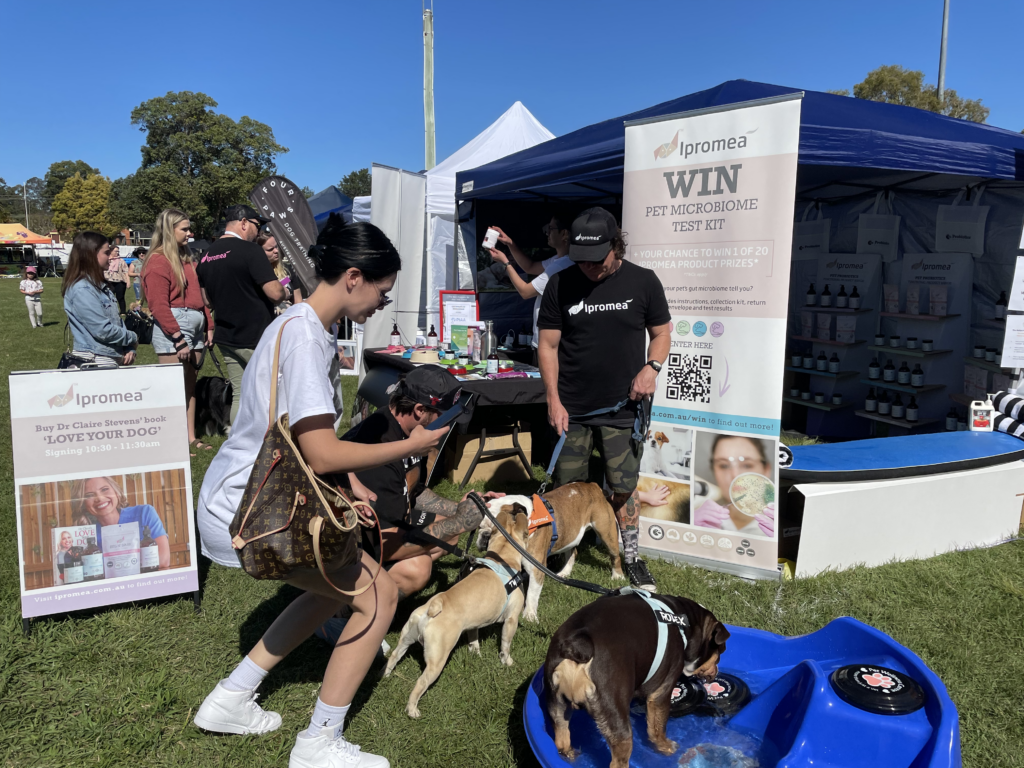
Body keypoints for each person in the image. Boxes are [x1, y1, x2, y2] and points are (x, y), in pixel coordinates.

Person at [195, 215, 445, 768]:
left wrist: (350, 485)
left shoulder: (296, 323)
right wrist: (412, 446)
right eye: (383, 291)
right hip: (254, 506)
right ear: (354, 277)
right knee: (377, 596)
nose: (383, 304)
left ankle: (230, 699)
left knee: (338, 587)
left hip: (242, 496)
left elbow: (302, 435)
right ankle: (319, 744)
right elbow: (322, 452)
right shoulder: (309, 337)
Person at [537, 207, 671, 591]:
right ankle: (568, 550)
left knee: (623, 484)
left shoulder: (644, 282)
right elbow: (547, 346)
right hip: (572, 408)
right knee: (570, 485)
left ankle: (629, 555)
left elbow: (661, 333)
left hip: (622, 408)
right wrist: (553, 399)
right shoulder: (560, 284)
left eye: (598, 261)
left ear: (617, 246)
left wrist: (652, 367)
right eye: (581, 261)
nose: (590, 269)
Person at [342, 366, 504, 606]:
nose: (447, 427)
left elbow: (413, 490)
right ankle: (342, 612)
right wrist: (460, 521)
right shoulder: (379, 450)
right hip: (350, 549)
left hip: (380, 531)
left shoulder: (409, 434)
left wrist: (462, 509)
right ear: (419, 410)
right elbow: (383, 544)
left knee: (448, 536)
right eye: (444, 416)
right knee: (417, 568)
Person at [196, 204, 285, 426]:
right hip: (254, 336)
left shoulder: (206, 255)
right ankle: (271, 446)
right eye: (258, 224)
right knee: (271, 394)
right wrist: (286, 289)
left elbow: (206, 300)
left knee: (240, 394)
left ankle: (238, 444)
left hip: (227, 336)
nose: (259, 230)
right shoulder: (250, 250)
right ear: (244, 222)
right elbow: (275, 293)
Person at [141, 209, 216, 454]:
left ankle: (190, 436)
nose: (189, 233)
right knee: (171, 388)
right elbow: (158, 305)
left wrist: (209, 325)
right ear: (169, 230)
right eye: (184, 229)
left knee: (189, 387)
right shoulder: (158, 261)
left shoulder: (187, 259)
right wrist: (177, 338)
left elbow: (199, 298)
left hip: (194, 323)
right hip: (174, 324)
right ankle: (170, 441)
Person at [486, 212, 575, 361]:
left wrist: (506, 263)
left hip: (551, 346)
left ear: (564, 234)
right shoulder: (559, 260)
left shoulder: (562, 265)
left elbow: (525, 292)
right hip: (547, 343)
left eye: (551, 228)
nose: (547, 232)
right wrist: (509, 243)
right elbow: (530, 266)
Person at [61, 232, 138, 368]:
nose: (111, 257)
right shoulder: (82, 289)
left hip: (111, 356)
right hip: (94, 359)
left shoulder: (100, 286)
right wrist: (133, 337)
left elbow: (117, 322)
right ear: (91, 254)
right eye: (106, 253)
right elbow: (102, 330)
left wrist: (128, 347)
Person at [72, 476, 170, 569]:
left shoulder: (144, 513)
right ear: (83, 504)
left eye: (104, 489)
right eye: (89, 495)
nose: (100, 498)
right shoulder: (85, 535)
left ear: (116, 492)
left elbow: (163, 559)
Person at [692, 436, 775, 537]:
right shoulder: (698, 516)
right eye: (724, 465)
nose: (735, 475)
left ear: (766, 470)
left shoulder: (780, 522)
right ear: (713, 471)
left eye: (747, 465)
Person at [258, 230, 301, 311]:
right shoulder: (257, 275)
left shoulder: (286, 269)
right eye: (270, 249)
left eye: (276, 247)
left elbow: (298, 301)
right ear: (259, 252)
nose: (276, 251)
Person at [103, 243, 130, 315]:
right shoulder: (106, 260)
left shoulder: (121, 261)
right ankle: (110, 311)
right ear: (111, 251)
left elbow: (126, 271)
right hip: (108, 281)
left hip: (120, 281)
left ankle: (123, 312)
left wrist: (128, 281)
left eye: (118, 251)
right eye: (116, 251)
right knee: (108, 297)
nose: (117, 253)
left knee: (120, 297)